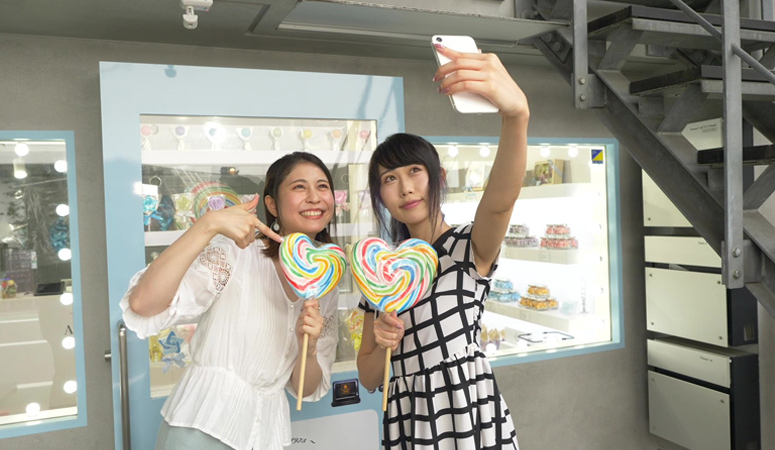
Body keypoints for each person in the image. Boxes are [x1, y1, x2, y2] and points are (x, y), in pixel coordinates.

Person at [356, 43, 529, 449]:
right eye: (389, 178)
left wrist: (515, 116)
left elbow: (501, 200)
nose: (406, 187)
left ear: (437, 176)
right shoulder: (380, 271)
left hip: (468, 409)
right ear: (380, 195)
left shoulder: (466, 247)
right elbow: (367, 377)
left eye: (414, 170)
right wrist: (383, 342)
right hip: (408, 414)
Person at [120, 152, 340, 450]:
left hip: (265, 437)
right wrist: (208, 225)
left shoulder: (325, 281)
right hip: (203, 428)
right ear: (271, 204)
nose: (314, 197)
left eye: (323, 186)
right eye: (299, 187)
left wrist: (309, 348)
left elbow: (305, 389)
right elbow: (143, 303)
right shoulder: (234, 255)